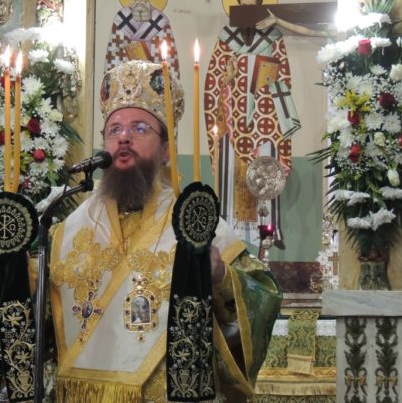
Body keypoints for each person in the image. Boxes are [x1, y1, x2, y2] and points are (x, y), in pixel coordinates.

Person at [49, 60, 281, 402]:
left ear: (167, 149)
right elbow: (45, 320)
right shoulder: (70, 230)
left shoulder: (195, 224)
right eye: (114, 129)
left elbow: (265, 296)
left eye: (140, 128)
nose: (124, 137)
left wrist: (222, 278)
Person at [204, 0, 324, 248]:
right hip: (233, 115)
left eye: (253, 6)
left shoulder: (273, 36)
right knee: (233, 169)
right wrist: (228, 79)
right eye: (243, 6)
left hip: (264, 115)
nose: (248, 11)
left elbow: (284, 76)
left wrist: (267, 84)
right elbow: (214, 79)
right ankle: (231, 233)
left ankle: (267, 232)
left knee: (266, 167)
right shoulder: (225, 37)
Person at [104, 0, 180, 77]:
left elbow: (169, 57)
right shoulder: (121, 19)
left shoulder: (161, 20)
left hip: (152, 79)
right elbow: (114, 55)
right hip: (127, 80)